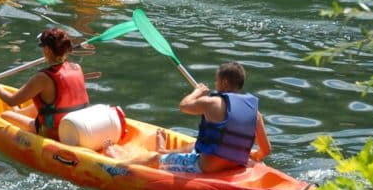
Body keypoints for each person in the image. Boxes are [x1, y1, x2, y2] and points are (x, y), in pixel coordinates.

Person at [106, 62, 271, 174]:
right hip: (235, 164)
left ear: (225, 83)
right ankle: (165, 152)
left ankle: (120, 161)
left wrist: (197, 92)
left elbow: (184, 106)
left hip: (205, 167)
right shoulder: (255, 114)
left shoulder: (212, 103)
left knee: (154, 159)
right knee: (194, 144)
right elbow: (266, 150)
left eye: (217, 80)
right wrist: (253, 156)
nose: (216, 84)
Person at [0, 28, 90, 141]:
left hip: (54, 133)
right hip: (78, 126)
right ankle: (19, 113)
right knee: (40, 104)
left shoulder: (42, 78)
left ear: (47, 49)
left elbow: (11, 101)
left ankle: (22, 124)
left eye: (42, 46)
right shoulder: (77, 67)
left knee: (6, 115)